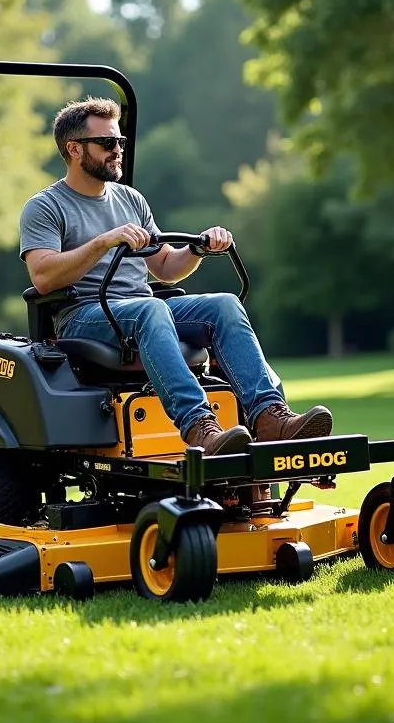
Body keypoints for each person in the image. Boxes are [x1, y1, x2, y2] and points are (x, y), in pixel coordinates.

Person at [19, 97, 332, 457]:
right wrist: (105, 241)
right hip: (85, 315)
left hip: (139, 311)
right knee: (150, 310)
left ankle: (269, 418)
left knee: (224, 305)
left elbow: (166, 268)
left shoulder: (132, 200)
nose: (117, 150)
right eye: (106, 143)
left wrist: (198, 249)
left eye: (119, 142)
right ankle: (201, 428)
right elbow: (43, 277)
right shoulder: (45, 206)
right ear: (74, 149)